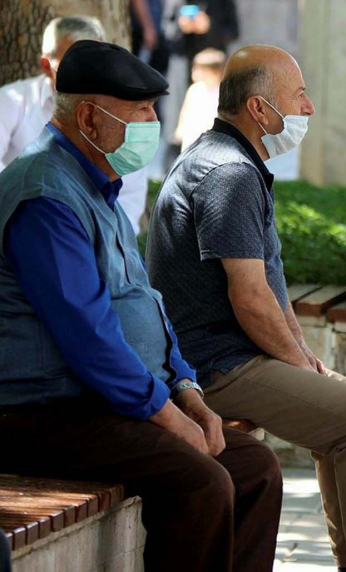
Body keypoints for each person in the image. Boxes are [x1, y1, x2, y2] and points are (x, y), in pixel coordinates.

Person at [0, 40, 282, 572]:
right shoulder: (45, 196)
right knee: (201, 482)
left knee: (255, 468)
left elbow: (144, 302)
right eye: (140, 111)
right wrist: (167, 418)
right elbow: (89, 337)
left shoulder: (99, 186)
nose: (153, 122)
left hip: (105, 403)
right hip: (45, 413)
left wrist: (186, 390)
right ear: (88, 115)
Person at [146, 45, 346, 571]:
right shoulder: (228, 172)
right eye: (299, 96)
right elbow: (249, 299)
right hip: (215, 368)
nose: (309, 108)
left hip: (229, 357)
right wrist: (299, 364)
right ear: (258, 109)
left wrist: (307, 361)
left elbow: (270, 287)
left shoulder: (231, 161)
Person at [0, 16, 149, 234]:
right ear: (45, 65)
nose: (89, 76)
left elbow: (130, 195)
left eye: (97, 65)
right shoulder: (13, 101)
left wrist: (101, 236)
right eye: (74, 66)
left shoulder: (121, 114)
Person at [174, 48, 225, 152]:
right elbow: (186, 111)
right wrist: (181, 128)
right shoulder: (195, 89)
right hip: (192, 136)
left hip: (212, 140)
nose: (195, 72)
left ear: (214, 72)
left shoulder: (223, 91)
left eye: (199, 69)